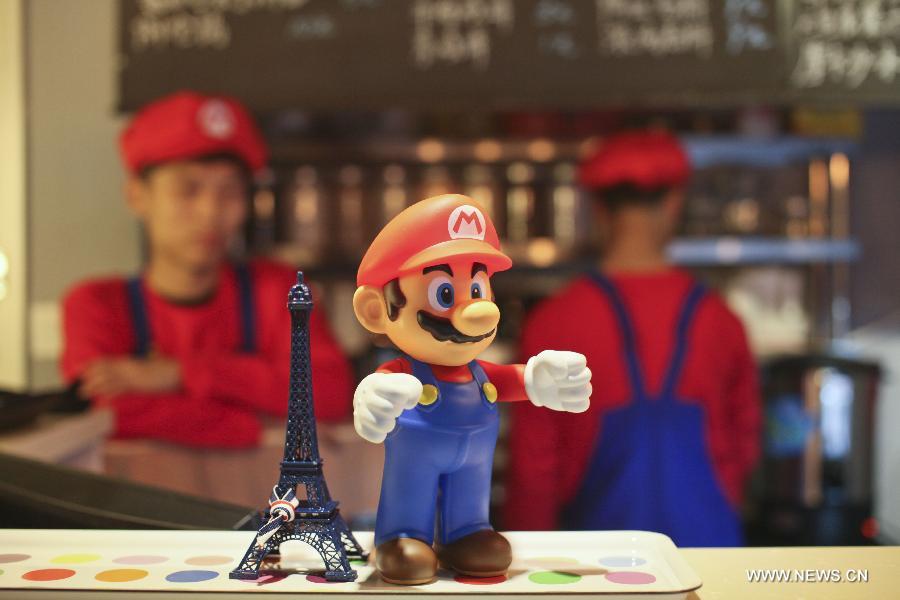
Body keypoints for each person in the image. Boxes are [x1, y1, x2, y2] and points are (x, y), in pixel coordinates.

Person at [504, 130, 762, 546]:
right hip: (709, 563)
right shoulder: (723, 321)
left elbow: (533, 473)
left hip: (596, 571)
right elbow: (745, 445)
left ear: (599, 209)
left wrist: (525, 564)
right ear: (674, 202)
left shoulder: (553, 322)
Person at [61, 91, 352, 448]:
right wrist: (255, 427)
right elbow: (102, 411)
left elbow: (331, 392)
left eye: (230, 192)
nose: (211, 213)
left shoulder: (278, 289)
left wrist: (178, 374)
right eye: (188, 190)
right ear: (137, 196)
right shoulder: (96, 305)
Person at [351, 195, 591, 584]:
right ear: (378, 310)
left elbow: (508, 379)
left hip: (474, 463)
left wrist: (535, 380)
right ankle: (400, 536)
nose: (475, 310)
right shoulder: (402, 372)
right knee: (409, 492)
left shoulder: (479, 372)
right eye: (444, 294)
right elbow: (379, 387)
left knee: (471, 500)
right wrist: (372, 396)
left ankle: (465, 533)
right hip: (416, 458)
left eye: (477, 289)